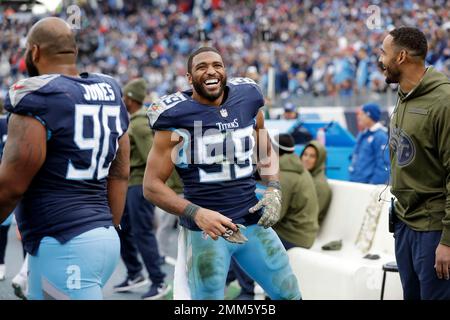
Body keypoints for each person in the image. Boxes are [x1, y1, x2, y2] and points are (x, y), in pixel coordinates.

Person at [143, 47, 301, 300]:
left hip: (252, 222)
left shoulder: (248, 97)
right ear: (189, 77)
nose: (211, 71)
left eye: (217, 65)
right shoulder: (175, 116)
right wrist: (197, 213)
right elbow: (151, 185)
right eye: (201, 67)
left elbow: (264, 146)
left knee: (290, 294)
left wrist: (274, 187)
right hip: (206, 231)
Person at [0, 17, 130, 300]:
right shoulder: (110, 90)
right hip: (101, 236)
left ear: (34, 52)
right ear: (73, 51)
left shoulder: (38, 95)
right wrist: (106, 224)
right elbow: (120, 172)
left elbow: (10, 187)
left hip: (64, 243)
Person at [379, 26, 450, 299]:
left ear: (401, 57)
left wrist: (447, 241)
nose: (380, 61)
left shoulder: (443, 101)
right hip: (405, 223)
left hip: (433, 229)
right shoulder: (403, 95)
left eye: (384, 54)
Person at [229, 133, 320, 299]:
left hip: (295, 236)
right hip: (303, 231)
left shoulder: (284, 177)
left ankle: (248, 292)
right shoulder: (297, 169)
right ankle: (233, 283)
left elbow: (273, 216)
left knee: (241, 242)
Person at [113, 78, 170, 300]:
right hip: (128, 185)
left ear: (129, 98)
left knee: (143, 232)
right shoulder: (132, 121)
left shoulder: (139, 124)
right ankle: (135, 272)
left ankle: (158, 280)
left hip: (139, 185)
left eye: (124, 97)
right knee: (121, 229)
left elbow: (152, 158)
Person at [348, 103, 390, 185]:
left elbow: (384, 165)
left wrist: (372, 185)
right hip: (355, 182)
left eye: (362, 114)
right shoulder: (363, 134)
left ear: (370, 116)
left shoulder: (380, 136)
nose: (359, 117)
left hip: (367, 187)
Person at [300, 140, 332, 225]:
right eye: (305, 154)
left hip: (303, 231)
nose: (306, 159)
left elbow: (309, 216)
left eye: (312, 156)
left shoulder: (320, 185)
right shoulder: (304, 178)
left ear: (319, 160)